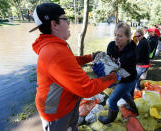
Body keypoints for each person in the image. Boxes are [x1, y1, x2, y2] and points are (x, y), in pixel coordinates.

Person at [29, 3, 119, 131]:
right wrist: (113, 76)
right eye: (65, 19)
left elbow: (70, 62)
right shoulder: (54, 52)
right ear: (54, 24)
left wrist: (90, 57)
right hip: (56, 112)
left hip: (68, 103)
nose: (69, 23)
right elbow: (87, 89)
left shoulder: (57, 45)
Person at [98, 22, 138, 124]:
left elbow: (123, 71)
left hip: (129, 79)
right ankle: (134, 109)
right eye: (115, 35)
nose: (116, 38)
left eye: (120, 36)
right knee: (124, 94)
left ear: (128, 37)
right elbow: (108, 61)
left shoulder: (132, 52)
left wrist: (113, 75)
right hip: (119, 77)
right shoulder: (112, 45)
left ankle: (109, 120)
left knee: (112, 101)